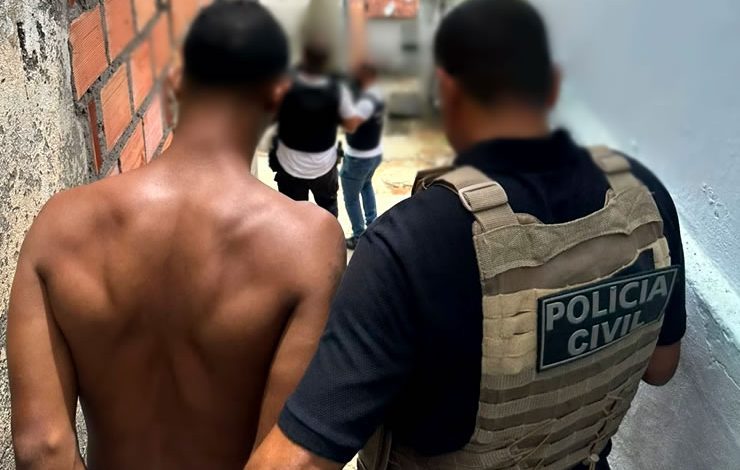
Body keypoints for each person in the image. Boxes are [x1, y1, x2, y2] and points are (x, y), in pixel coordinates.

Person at [246, 1, 686, 469]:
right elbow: (661, 366)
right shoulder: (644, 196)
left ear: (446, 91)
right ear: (554, 85)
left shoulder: (410, 245)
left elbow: (297, 460)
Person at [7, 2, 345, 469]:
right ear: (278, 94)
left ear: (176, 79)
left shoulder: (59, 226)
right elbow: (286, 459)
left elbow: (42, 447)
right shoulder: (307, 244)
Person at [272, 39, 363, 217]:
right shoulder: (338, 89)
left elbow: (269, 113)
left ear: (303, 58)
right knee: (327, 215)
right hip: (323, 167)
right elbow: (352, 126)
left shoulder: (285, 84)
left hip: (290, 166)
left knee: (293, 217)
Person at [341, 62, 385, 250]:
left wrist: (342, 104)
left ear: (367, 76)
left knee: (351, 198)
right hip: (374, 154)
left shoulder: (366, 102)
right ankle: (372, 225)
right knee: (366, 186)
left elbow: (350, 125)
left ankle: (359, 236)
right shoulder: (377, 93)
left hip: (359, 158)